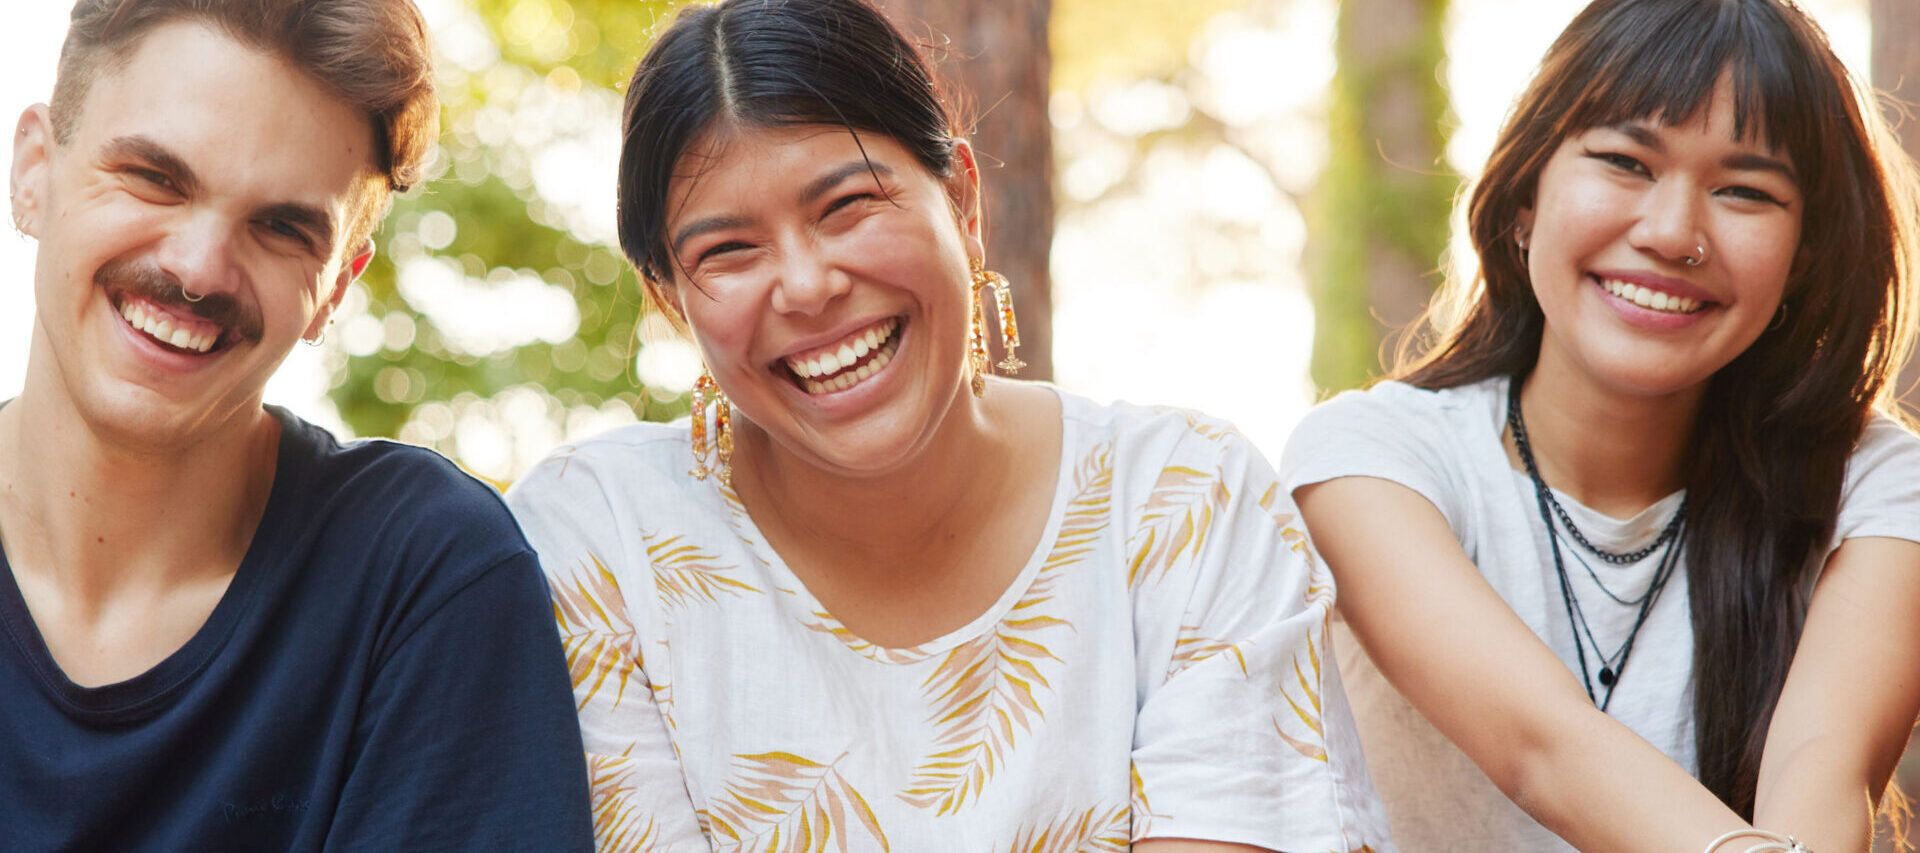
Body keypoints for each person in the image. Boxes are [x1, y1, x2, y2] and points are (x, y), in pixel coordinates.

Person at [506, 0, 1392, 848]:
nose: (808, 285)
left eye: (847, 204)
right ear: (670, 299)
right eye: (728, 251)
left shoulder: (1183, 502)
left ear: (964, 204)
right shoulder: (603, 541)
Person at [1283, 0, 1920, 850]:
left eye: (1744, 190)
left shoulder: (1876, 488)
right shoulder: (1372, 461)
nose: (1672, 233)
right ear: (1524, 198)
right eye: (1625, 161)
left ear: (1805, 256)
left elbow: (1823, 767)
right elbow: (1541, 747)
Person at [0, 1, 593, 849]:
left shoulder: (419, 575)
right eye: (154, 177)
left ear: (338, 287)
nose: (198, 268)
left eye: (281, 228)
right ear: (33, 170)